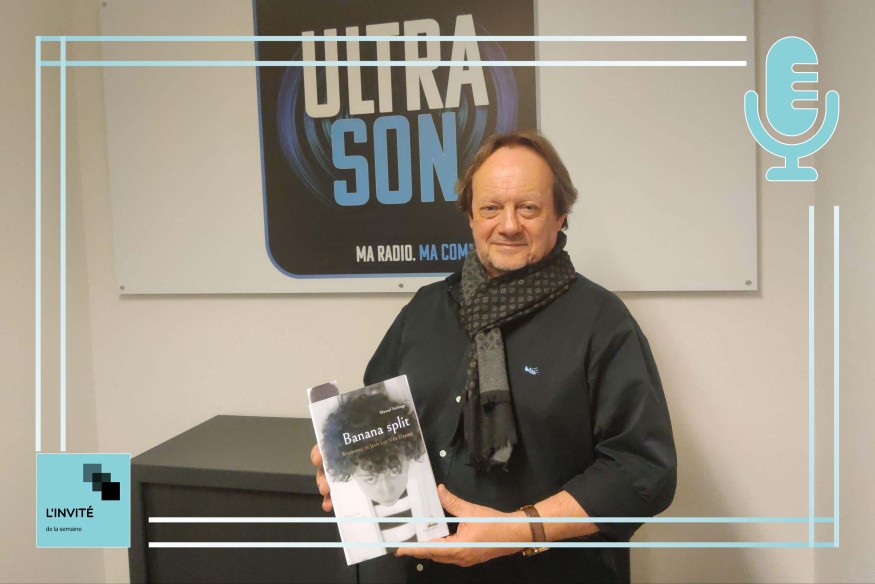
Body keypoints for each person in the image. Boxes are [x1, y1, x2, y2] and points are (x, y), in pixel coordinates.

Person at [311, 129, 677, 583]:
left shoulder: (602, 322)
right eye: (490, 208)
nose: (508, 225)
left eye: (528, 208)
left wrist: (520, 529)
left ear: (560, 215)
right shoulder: (424, 310)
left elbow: (643, 471)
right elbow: (376, 427)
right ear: (470, 215)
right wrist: (347, 468)